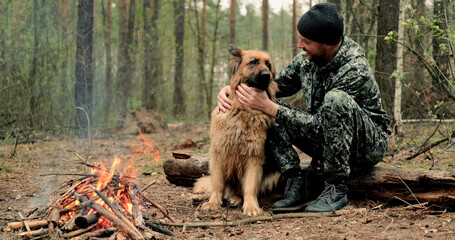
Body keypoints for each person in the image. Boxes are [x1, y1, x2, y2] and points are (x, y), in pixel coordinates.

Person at [217, 3, 390, 212]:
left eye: (306, 41)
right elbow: (272, 86)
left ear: (325, 43)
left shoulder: (354, 69)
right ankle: (296, 181)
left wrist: (271, 108)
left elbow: (323, 125)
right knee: (267, 105)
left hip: (365, 145)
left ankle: (336, 188)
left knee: (333, 100)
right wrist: (231, 89)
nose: (300, 45)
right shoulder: (306, 61)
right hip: (327, 137)